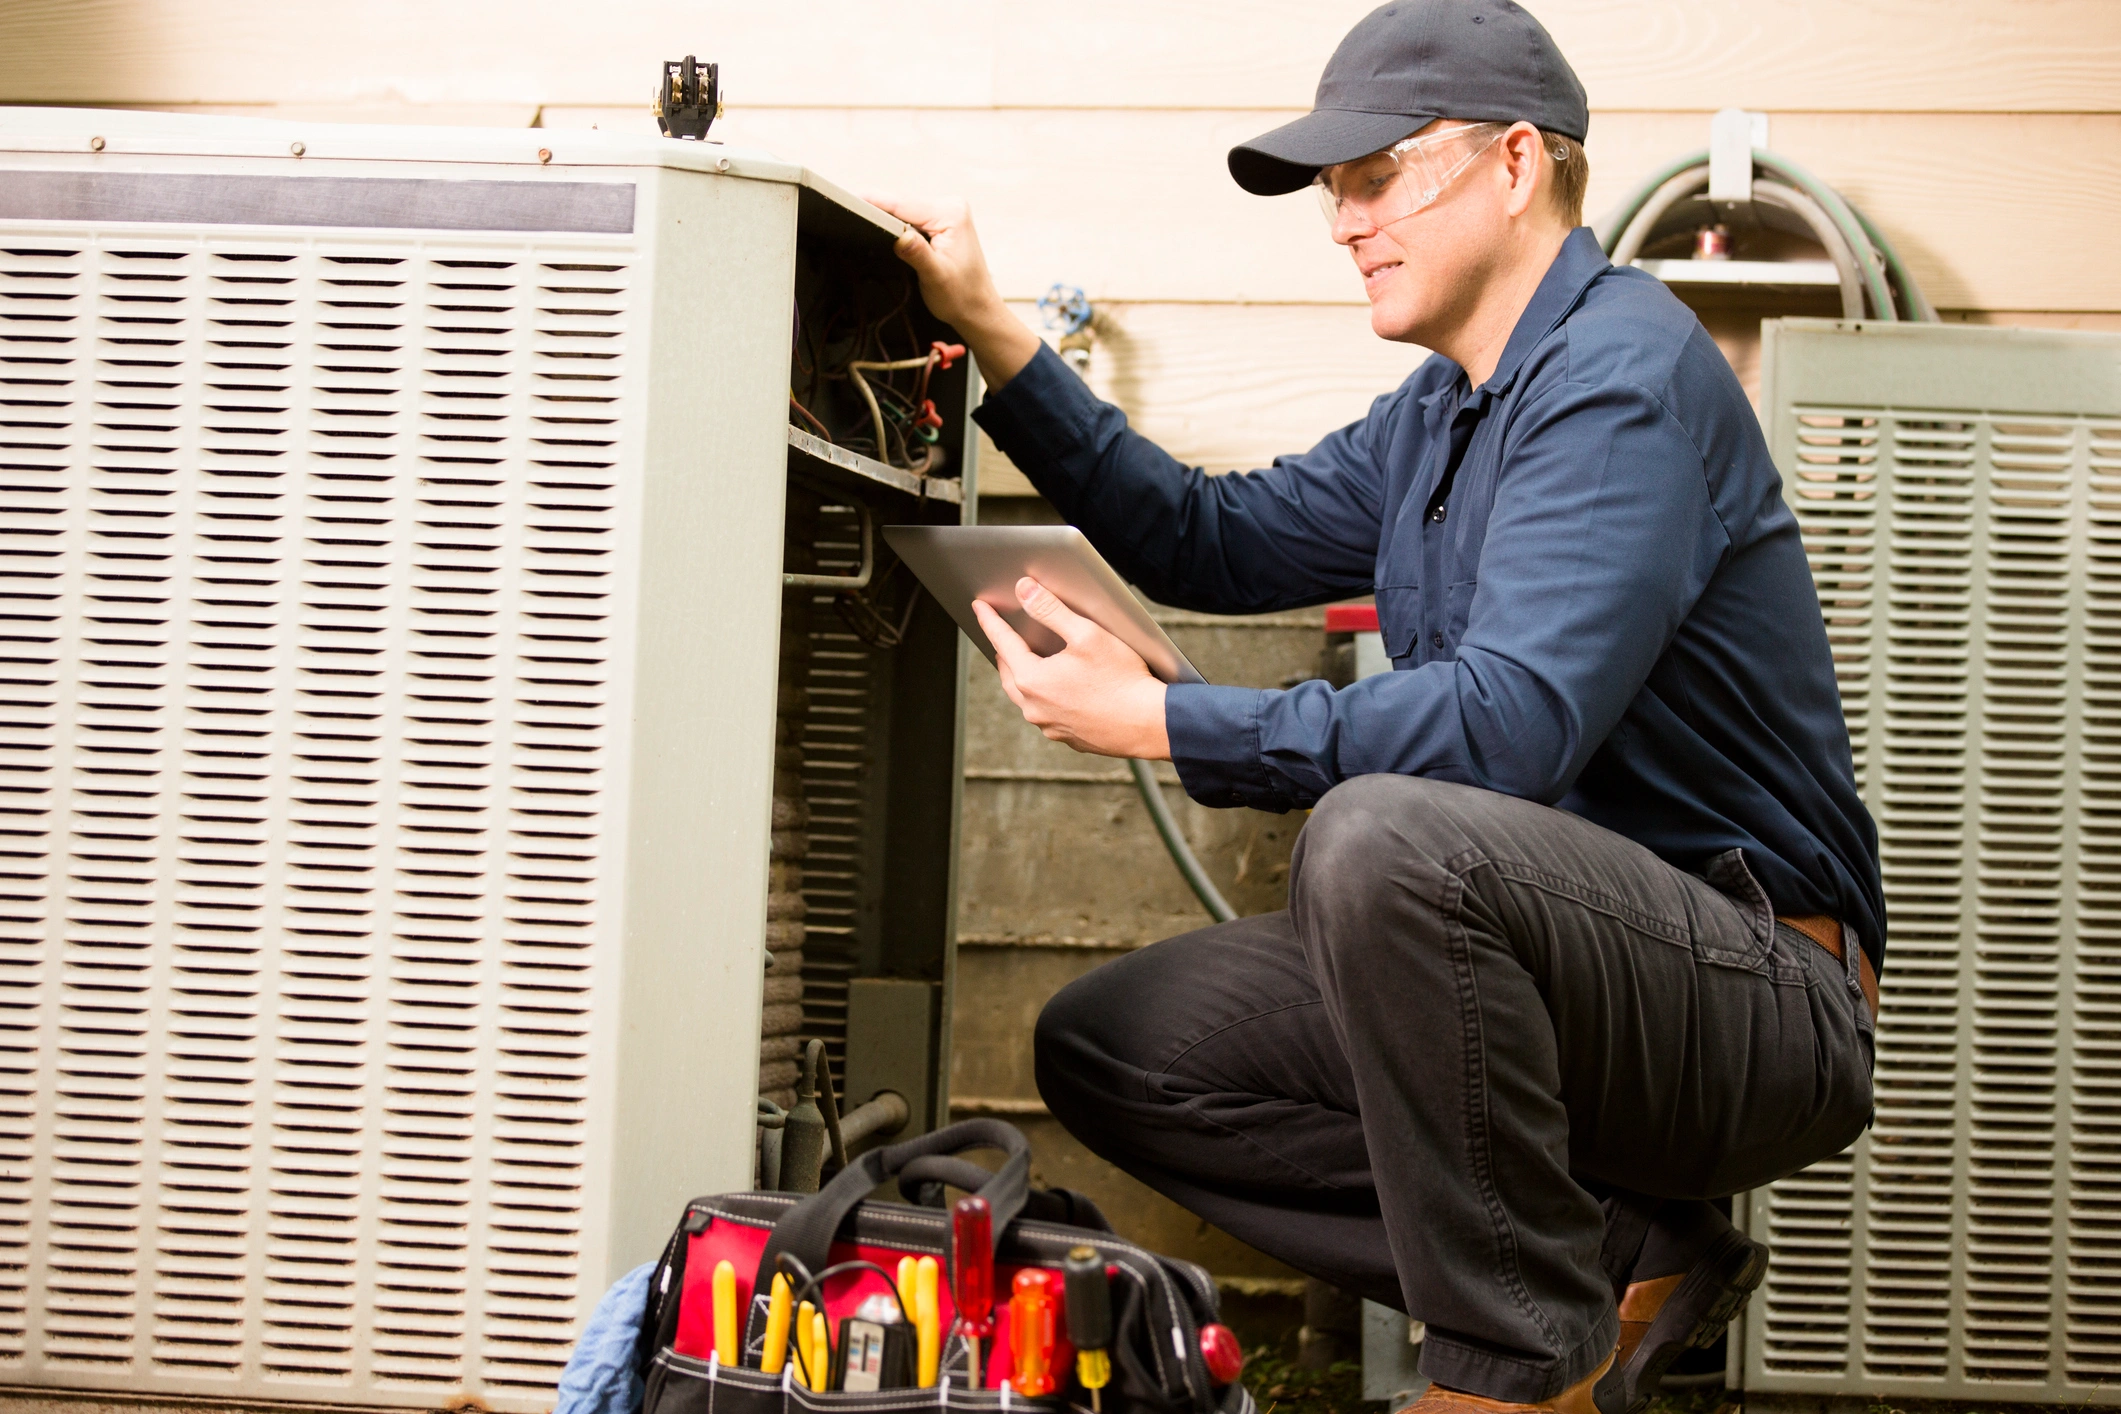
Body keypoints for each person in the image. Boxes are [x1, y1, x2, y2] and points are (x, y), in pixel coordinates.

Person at [874, 3, 1881, 1411]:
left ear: (1517, 164)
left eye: (1372, 175)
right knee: (1121, 1044)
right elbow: (1205, 541)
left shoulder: (1623, 383)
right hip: (1551, 965)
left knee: (1385, 840)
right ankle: (1613, 1256)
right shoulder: (1441, 412)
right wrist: (990, 331)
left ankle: (1512, 1369)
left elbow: (1508, 727)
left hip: (1753, 986)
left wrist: (1173, 723)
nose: (1341, 219)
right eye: (1330, 190)